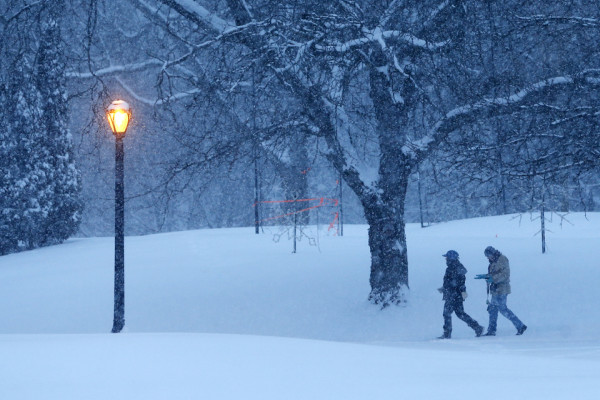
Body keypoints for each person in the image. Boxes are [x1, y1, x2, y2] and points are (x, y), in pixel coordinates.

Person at [437, 250, 484, 339]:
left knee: (447, 313)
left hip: (453, 295)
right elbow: (454, 282)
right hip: (455, 295)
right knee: (460, 314)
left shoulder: (454, 268)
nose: (445, 259)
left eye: (446, 257)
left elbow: (457, 282)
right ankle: (477, 327)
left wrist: (448, 289)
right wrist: (444, 288)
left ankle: (447, 334)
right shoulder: (454, 267)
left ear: (451, 258)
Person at [481, 246, 527, 336]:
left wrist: (493, 278)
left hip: (502, 289)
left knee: (502, 309)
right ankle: (491, 330)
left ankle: (520, 326)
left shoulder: (502, 259)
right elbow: (495, 272)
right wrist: (487, 276)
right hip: (495, 289)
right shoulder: (494, 260)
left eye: (488, 255)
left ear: (492, 253)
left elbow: (505, 275)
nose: (487, 258)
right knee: (492, 309)